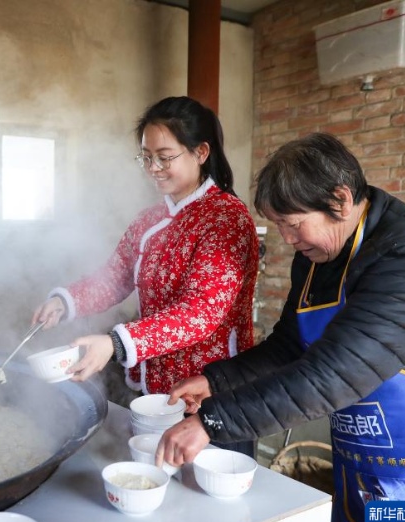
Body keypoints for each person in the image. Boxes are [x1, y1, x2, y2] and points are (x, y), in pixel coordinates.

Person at [157, 132, 405, 522]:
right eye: (279, 224)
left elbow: (333, 374)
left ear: (340, 199)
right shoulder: (320, 253)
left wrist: (213, 421)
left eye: (292, 222)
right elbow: (290, 345)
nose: (286, 238)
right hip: (357, 457)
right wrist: (216, 379)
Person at [32, 96, 259, 454]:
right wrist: (66, 300)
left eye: (165, 157)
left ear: (201, 152)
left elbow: (202, 312)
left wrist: (117, 342)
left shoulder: (226, 218)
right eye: (146, 157)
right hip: (156, 386)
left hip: (212, 390)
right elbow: (115, 277)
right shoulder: (150, 220)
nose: (153, 167)